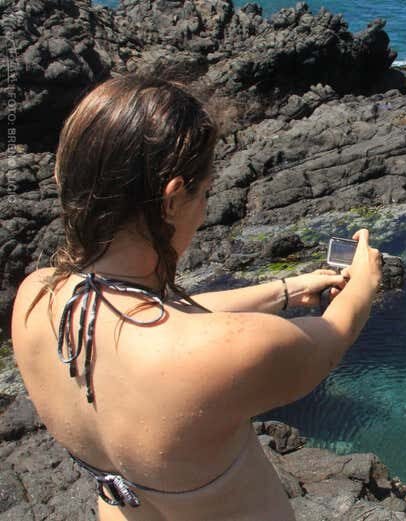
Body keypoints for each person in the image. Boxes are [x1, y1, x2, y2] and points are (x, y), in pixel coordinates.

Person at [11, 75, 383, 521]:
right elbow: (330, 338)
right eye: (204, 194)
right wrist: (363, 281)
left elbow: (158, 322)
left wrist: (286, 289)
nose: (205, 209)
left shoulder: (37, 297)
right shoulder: (220, 352)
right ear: (171, 199)